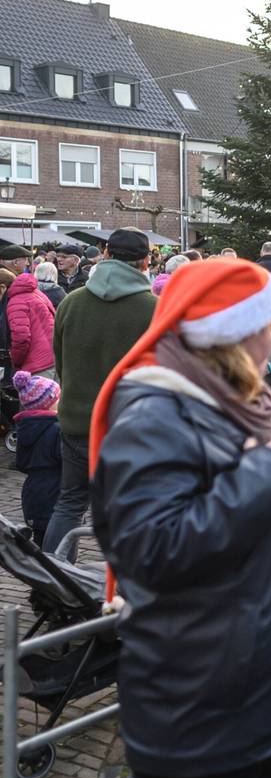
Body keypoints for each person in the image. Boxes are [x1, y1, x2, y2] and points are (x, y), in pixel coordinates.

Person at [89, 259, 271, 778]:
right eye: (270, 328)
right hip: (203, 713)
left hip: (252, 697)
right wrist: (265, 474)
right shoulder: (156, 416)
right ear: (230, 338)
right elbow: (152, 549)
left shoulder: (238, 406)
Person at [42, 228, 157, 559]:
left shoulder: (72, 302)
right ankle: (127, 591)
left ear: (105, 255)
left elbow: (60, 364)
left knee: (69, 504)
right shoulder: (154, 309)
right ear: (145, 261)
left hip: (78, 423)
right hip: (130, 429)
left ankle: (55, 581)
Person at [13, 371, 62, 547]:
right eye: (58, 398)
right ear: (48, 403)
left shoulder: (24, 429)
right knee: (59, 547)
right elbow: (68, 461)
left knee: (41, 544)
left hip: (33, 493)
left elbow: (21, 463)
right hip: (54, 494)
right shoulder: (57, 429)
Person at [6, 269, 56, 378]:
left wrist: (16, 362)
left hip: (37, 364)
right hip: (54, 357)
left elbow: (21, 337)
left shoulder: (16, 301)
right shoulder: (36, 293)